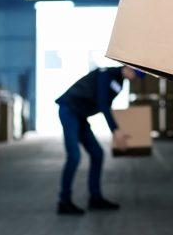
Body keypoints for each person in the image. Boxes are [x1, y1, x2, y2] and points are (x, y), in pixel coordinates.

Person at [55, 64, 138, 215]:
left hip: (80, 115)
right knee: (74, 156)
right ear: (127, 67)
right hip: (69, 110)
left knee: (97, 154)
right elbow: (102, 104)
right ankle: (64, 202)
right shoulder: (105, 74)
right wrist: (115, 130)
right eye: (135, 73)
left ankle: (95, 198)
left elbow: (107, 105)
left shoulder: (120, 82)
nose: (135, 78)